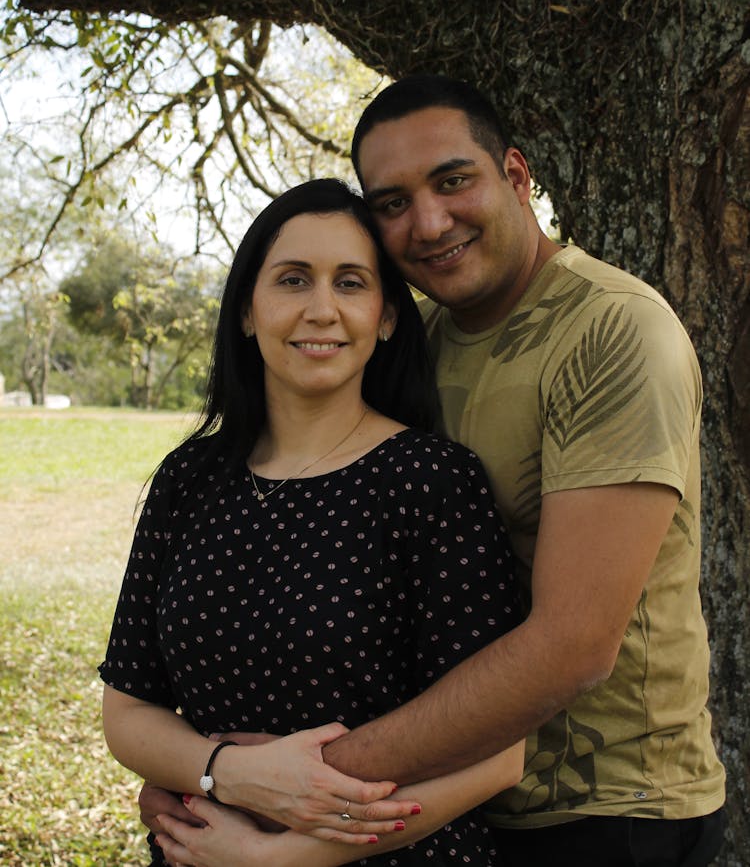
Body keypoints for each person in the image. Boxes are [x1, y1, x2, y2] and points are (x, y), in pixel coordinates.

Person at [149, 74, 725, 867]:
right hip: (439, 808)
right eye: (392, 202)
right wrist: (206, 775)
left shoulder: (614, 333)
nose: (428, 221)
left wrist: (279, 787)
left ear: (517, 178)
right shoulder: (416, 337)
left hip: (607, 813)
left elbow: (574, 644)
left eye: (454, 181)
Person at [100, 177, 524, 867]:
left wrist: (288, 855)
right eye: (293, 279)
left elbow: (500, 753)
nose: (322, 308)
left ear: (386, 315)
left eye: (351, 283)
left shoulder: (431, 480)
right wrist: (223, 770)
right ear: (246, 309)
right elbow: (127, 711)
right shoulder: (190, 480)